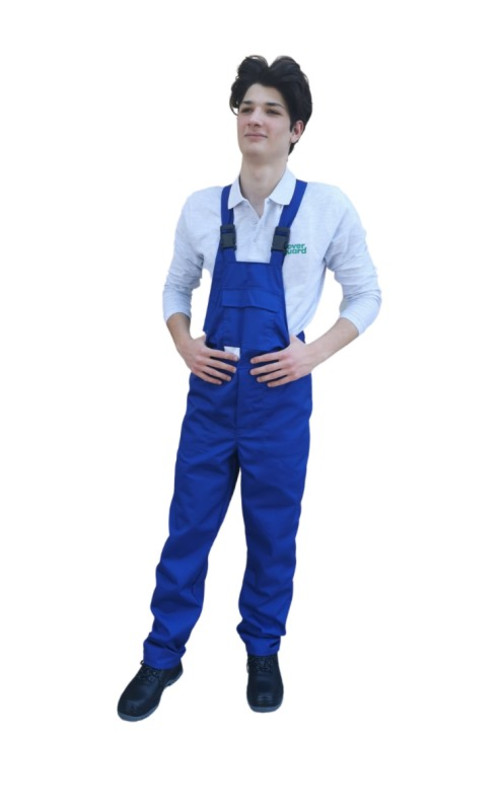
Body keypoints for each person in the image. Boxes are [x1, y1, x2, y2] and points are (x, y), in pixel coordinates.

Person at [118, 55, 381, 721]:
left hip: (279, 403)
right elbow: (176, 286)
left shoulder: (326, 208)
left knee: (272, 533)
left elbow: (367, 295)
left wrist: (310, 355)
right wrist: (184, 342)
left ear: (297, 129)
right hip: (211, 399)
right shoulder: (201, 209)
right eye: (246, 108)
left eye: (271, 110)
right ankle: (162, 654)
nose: (255, 120)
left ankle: (263, 650)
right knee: (188, 529)